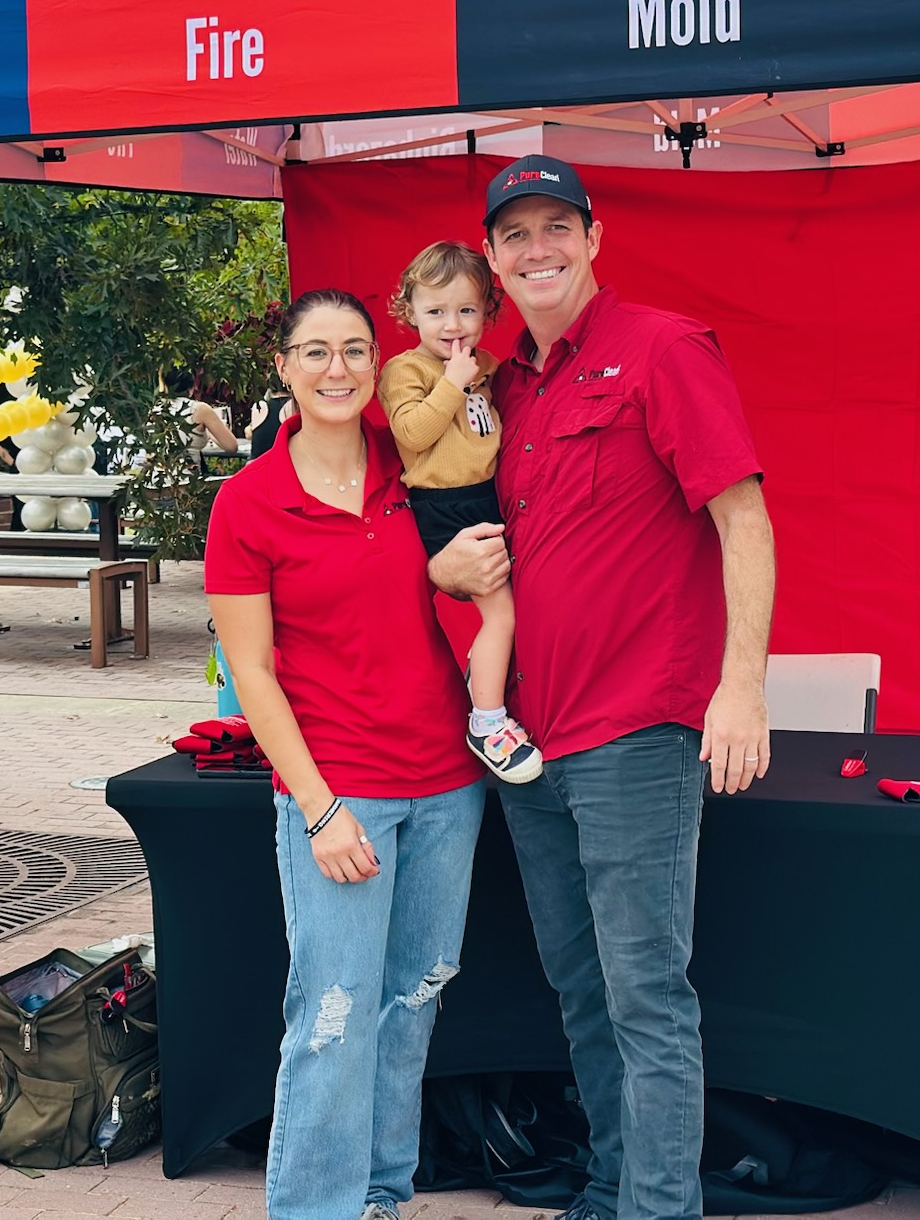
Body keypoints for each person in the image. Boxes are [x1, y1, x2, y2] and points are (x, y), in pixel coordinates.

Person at [431, 154, 776, 1220]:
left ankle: (657, 1209)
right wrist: (439, 568)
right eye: (515, 234)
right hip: (527, 745)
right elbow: (451, 530)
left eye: (554, 228)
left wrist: (741, 688)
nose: (536, 249)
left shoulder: (661, 351)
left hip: (634, 734)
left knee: (643, 998)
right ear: (491, 259)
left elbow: (744, 522)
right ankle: (611, 1187)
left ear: (593, 238)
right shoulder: (498, 388)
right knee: (581, 992)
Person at [206, 288, 488, 1220]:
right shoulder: (249, 504)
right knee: (332, 1019)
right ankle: (313, 1208)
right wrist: (320, 808)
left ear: (379, 364)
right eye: (317, 352)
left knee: (411, 1008)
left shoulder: (412, 466)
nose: (339, 370)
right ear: (282, 367)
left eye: (356, 351)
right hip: (343, 795)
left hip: (449, 786)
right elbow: (251, 673)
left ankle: (379, 1198)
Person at [378, 241, 540, 783]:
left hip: (491, 496)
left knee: (532, 601)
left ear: (488, 313)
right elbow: (413, 434)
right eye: (436, 311)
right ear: (410, 312)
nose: (453, 325)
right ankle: (487, 721)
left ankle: (493, 688)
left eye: (467, 310)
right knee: (502, 615)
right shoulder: (407, 370)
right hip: (445, 506)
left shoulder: (488, 366)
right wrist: (452, 380)